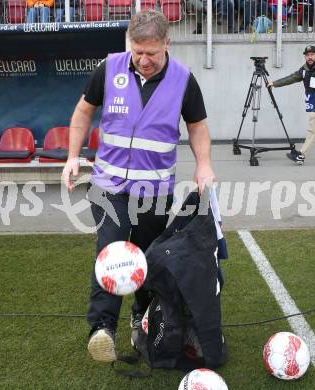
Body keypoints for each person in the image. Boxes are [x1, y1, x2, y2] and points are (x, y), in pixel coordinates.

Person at [62, 10, 215, 363]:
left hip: (154, 191)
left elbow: (198, 127)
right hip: (107, 185)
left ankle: (141, 316)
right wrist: (73, 156)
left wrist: (204, 164)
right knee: (112, 249)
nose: (144, 60)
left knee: (147, 258)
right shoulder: (109, 68)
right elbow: (83, 111)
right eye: (138, 51)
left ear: (167, 44)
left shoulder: (183, 79)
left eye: (152, 53)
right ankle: (102, 328)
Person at [267, 45, 315, 165]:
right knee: (314, 128)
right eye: (307, 55)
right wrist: (275, 83)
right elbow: (293, 78)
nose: (310, 57)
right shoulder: (305, 69)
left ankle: (301, 155)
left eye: (312, 54)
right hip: (312, 100)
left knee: (313, 129)